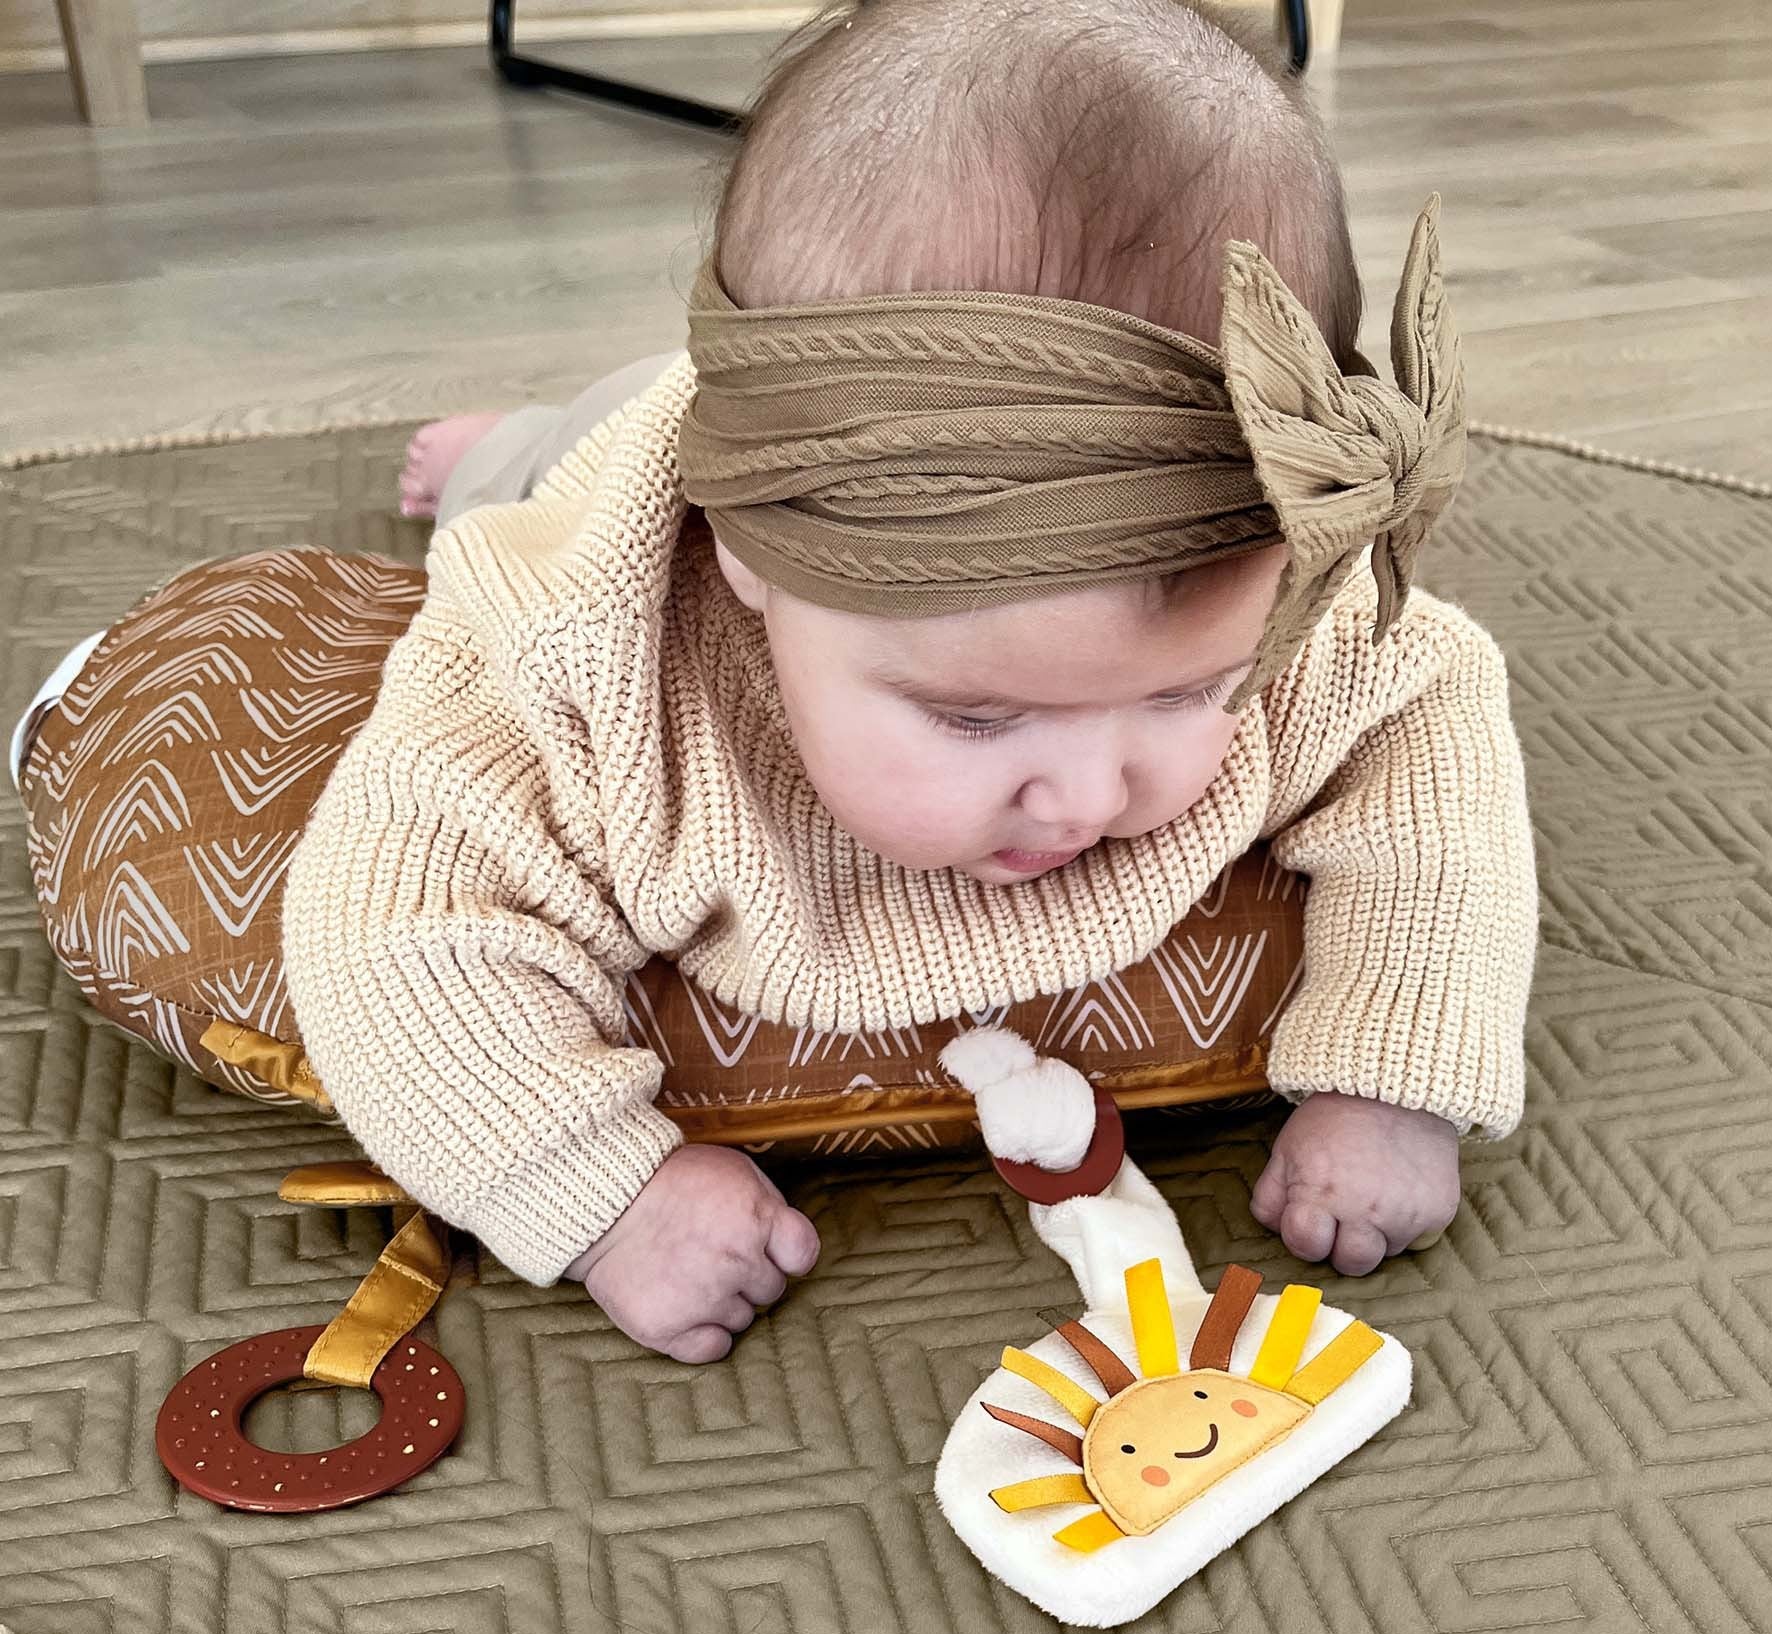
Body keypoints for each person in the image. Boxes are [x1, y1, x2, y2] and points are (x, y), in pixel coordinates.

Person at [283, 0, 1537, 1363]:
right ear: (752, 562)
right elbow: (395, 932)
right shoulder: (582, 664)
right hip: (612, 464)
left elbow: (1431, 715)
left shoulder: (1257, 552)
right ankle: (502, 438)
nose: (1091, 794)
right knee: (533, 466)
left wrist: (1395, 1070)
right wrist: (602, 1196)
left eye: (1189, 693)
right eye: (978, 716)